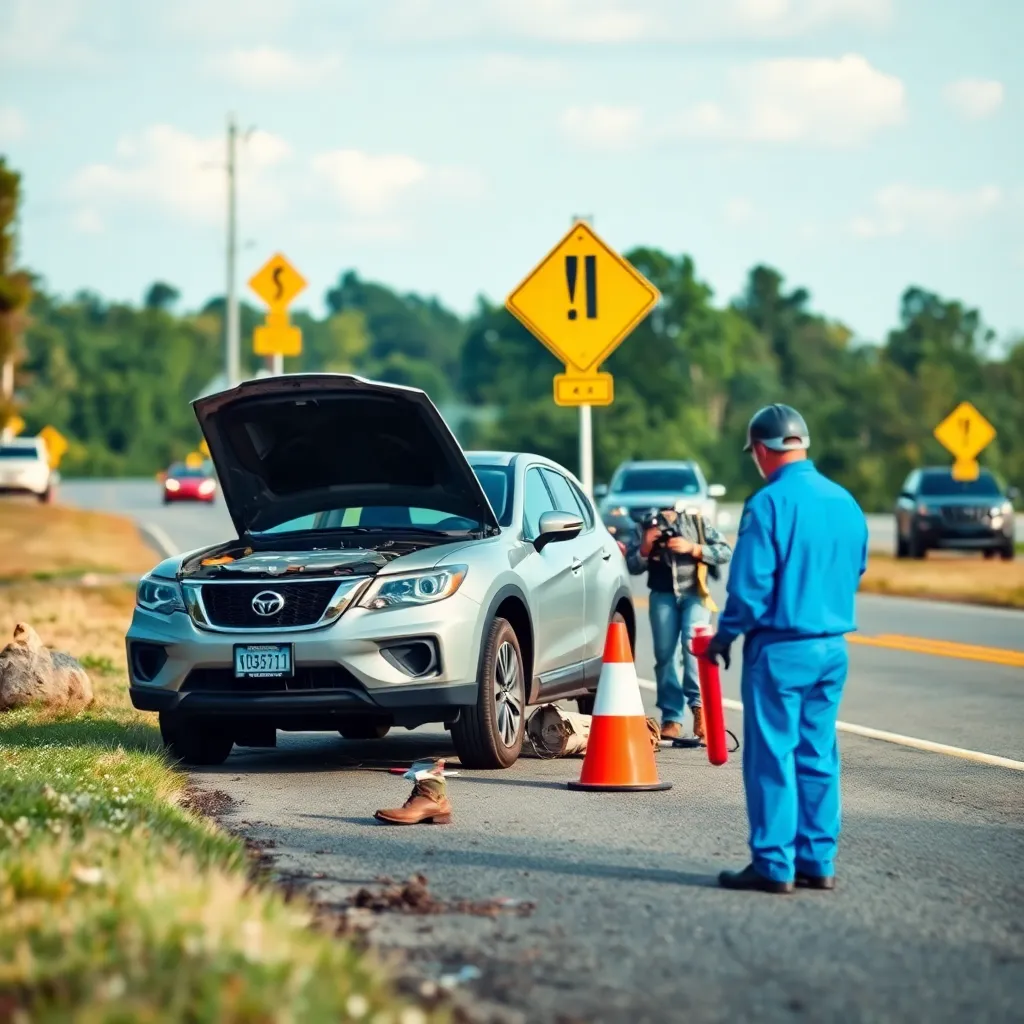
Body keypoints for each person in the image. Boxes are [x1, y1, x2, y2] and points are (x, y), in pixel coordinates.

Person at [705, 404, 868, 895]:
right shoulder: (845, 501)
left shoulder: (769, 503)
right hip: (831, 648)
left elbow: (750, 586)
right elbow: (856, 568)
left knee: (772, 756)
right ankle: (818, 861)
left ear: (761, 449)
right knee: (818, 753)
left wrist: (724, 637)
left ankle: (774, 865)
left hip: (779, 650)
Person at [626, 505, 732, 743]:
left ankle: (699, 708)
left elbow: (725, 551)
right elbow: (632, 565)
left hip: (695, 593)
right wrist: (645, 547)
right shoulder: (645, 526)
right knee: (665, 656)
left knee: (693, 645)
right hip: (662, 595)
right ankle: (672, 717)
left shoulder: (696, 522)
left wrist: (693, 548)